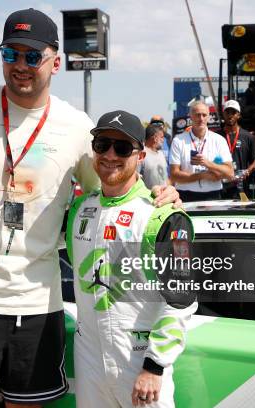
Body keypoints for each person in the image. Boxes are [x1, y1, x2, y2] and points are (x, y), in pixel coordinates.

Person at [0, 8, 181, 408]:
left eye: (32, 56)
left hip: (37, 303)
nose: (20, 65)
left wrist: (162, 196)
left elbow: (113, 182)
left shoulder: (75, 125)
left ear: (55, 61)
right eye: (10, 53)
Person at [67, 110, 196, 408]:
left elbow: (182, 299)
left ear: (140, 156)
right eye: (102, 144)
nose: (110, 154)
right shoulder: (78, 211)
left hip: (140, 365)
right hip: (90, 366)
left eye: (122, 148)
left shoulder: (163, 214)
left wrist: (155, 366)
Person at [169, 101, 234, 201]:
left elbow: (230, 173)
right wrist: (202, 176)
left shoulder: (219, 140)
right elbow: (174, 175)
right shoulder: (178, 140)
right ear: (190, 117)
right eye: (197, 115)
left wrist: (207, 163)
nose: (201, 119)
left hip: (213, 195)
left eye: (204, 115)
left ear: (208, 117)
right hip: (186, 195)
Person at [218, 100, 255, 199]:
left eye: (233, 113)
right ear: (223, 114)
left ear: (238, 115)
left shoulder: (247, 136)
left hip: (240, 187)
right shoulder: (216, 136)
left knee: (241, 213)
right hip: (220, 186)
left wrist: (247, 171)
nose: (230, 116)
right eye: (227, 112)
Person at [139, 124, 169, 189]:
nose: (163, 140)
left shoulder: (161, 154)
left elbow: (166, 178)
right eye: (161, 137)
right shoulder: (141, 154)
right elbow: (135, 180)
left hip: (165, 198)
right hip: (147, 198)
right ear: (155, 138)